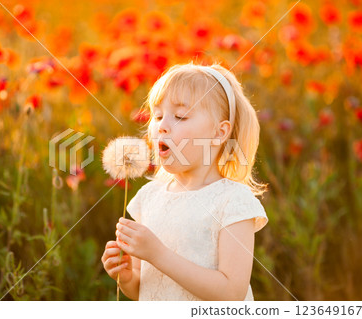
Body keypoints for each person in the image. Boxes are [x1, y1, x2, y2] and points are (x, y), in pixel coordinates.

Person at [101, 61, 269, 301]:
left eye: (180, 116)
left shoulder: (233, 201)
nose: (162, 126)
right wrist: (126, 277)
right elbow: (144, 289)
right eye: (157, 115)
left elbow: (232, 293)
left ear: (219, 133)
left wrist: (157, 254)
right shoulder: (149, 197)